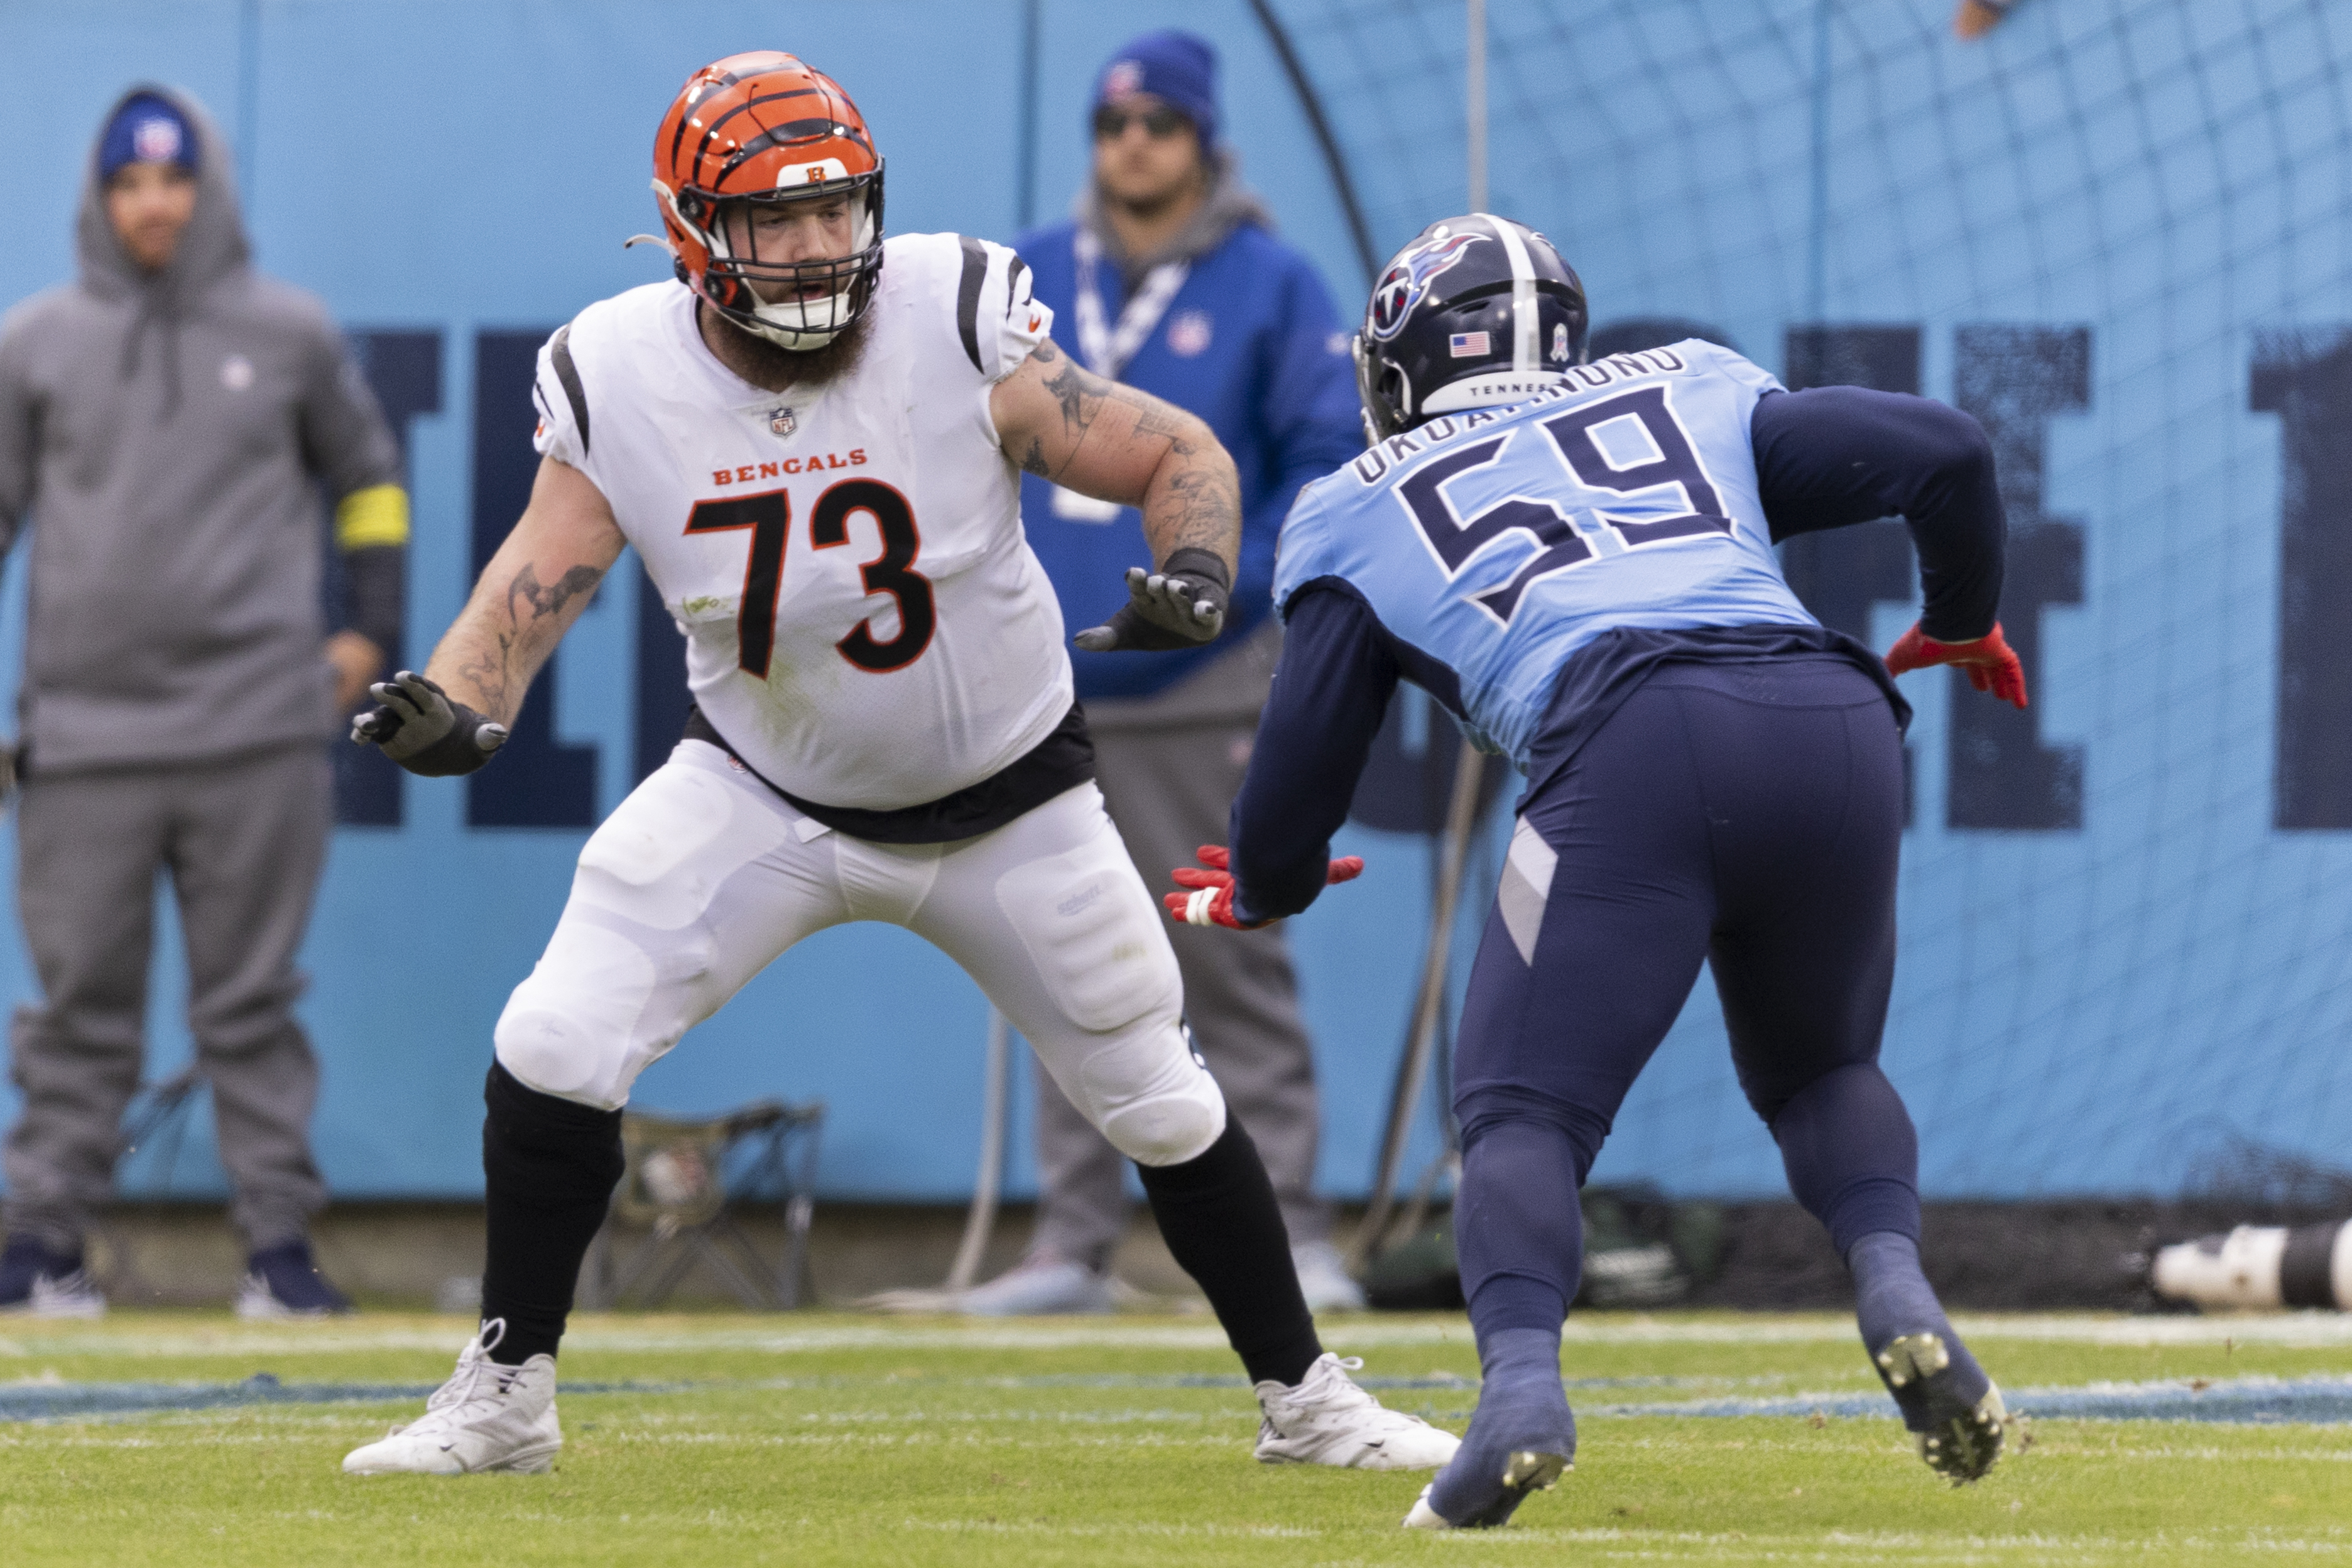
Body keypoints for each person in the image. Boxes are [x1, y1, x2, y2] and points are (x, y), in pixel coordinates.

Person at [339, 52, 1457, 1479]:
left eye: (834, 212)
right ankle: (505, 1397)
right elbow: (539, 571)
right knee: (555, 1039)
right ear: (692, 231)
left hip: (1013, 799)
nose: (814, 249)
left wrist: (1194, 563)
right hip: (762, 790)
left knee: (1161, 1095)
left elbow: (1178, 449)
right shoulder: (619, 371)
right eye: (772, 220)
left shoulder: (953, 311)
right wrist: (458, 698)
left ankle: (1308, 1400)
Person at [1170, 214, 2023, 1528]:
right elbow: (1949, 451)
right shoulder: (1689, 384)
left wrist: (1266, 882)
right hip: (1833, 722)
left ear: (1396, 365)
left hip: (1627, 742)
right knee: (1826, 1071)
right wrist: (1962, 620)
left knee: (1522, 1117)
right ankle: (1896, 1285)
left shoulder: (1353, 507)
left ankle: (1519, 1394)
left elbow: (1292, 784)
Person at [956, 30, 1364, 1316]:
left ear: (1203, 142)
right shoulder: (1022, 275)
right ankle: (1071, 1245)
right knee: (1057, 958)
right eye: (1114, 124)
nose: (1134, 145)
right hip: (1047, 683)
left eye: (1161, 125)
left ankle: (1295, 1231)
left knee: (1226, 948)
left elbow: (1321, 462)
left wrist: (1222, 585)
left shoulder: (1274, 283)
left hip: (1202, 681)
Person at [0, 87, 408, 1319]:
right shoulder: (35, 342)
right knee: (77, 1012)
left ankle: (279, 1256)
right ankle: (39, 1249)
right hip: (81, 742)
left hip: (255, 737)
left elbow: (370, 481)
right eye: (129, 185)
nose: (155, 205)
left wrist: (367, 634)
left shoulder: (288, 333)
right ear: (99, 198)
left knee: (251, 1006)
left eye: (173, 182)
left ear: (209, 188)